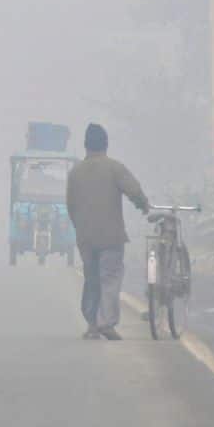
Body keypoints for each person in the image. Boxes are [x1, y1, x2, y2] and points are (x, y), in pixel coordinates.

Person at [66, 123, 149, 341]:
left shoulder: (75, 173)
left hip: (85, 236)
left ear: (85, 145)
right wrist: (143, 205)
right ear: (106, 144)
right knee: (110, 278)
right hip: (111, 236)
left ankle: (92, 325)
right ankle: (106, 322)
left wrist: (80, 228)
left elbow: (70, 206)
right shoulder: (114, 168)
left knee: (91, 278)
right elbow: (134, 191)